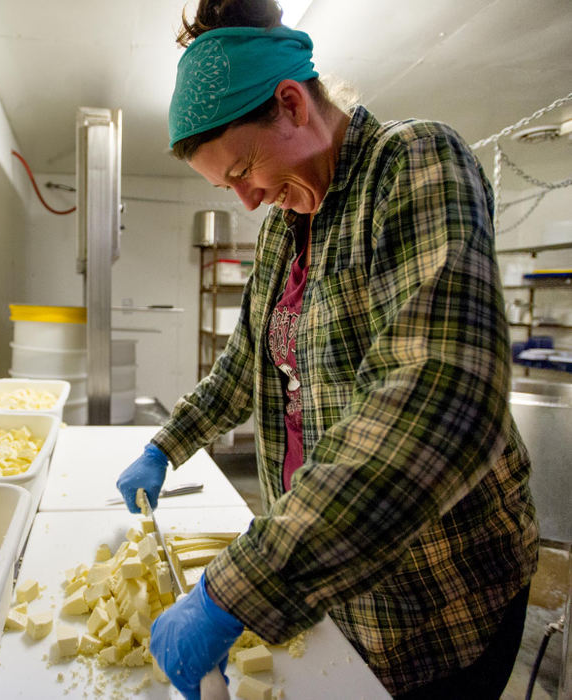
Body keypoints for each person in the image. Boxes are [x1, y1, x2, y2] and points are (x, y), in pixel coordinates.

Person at [114, 1, 539, 698]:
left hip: (437, 596)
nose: (248, 201)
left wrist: (239, 587)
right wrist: (166, 445)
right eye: (229, 187)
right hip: (333, 576)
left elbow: (438, 398)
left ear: (290, 105)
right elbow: (244, 361)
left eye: (244, 170)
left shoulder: (413, 164)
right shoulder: (286, 226)